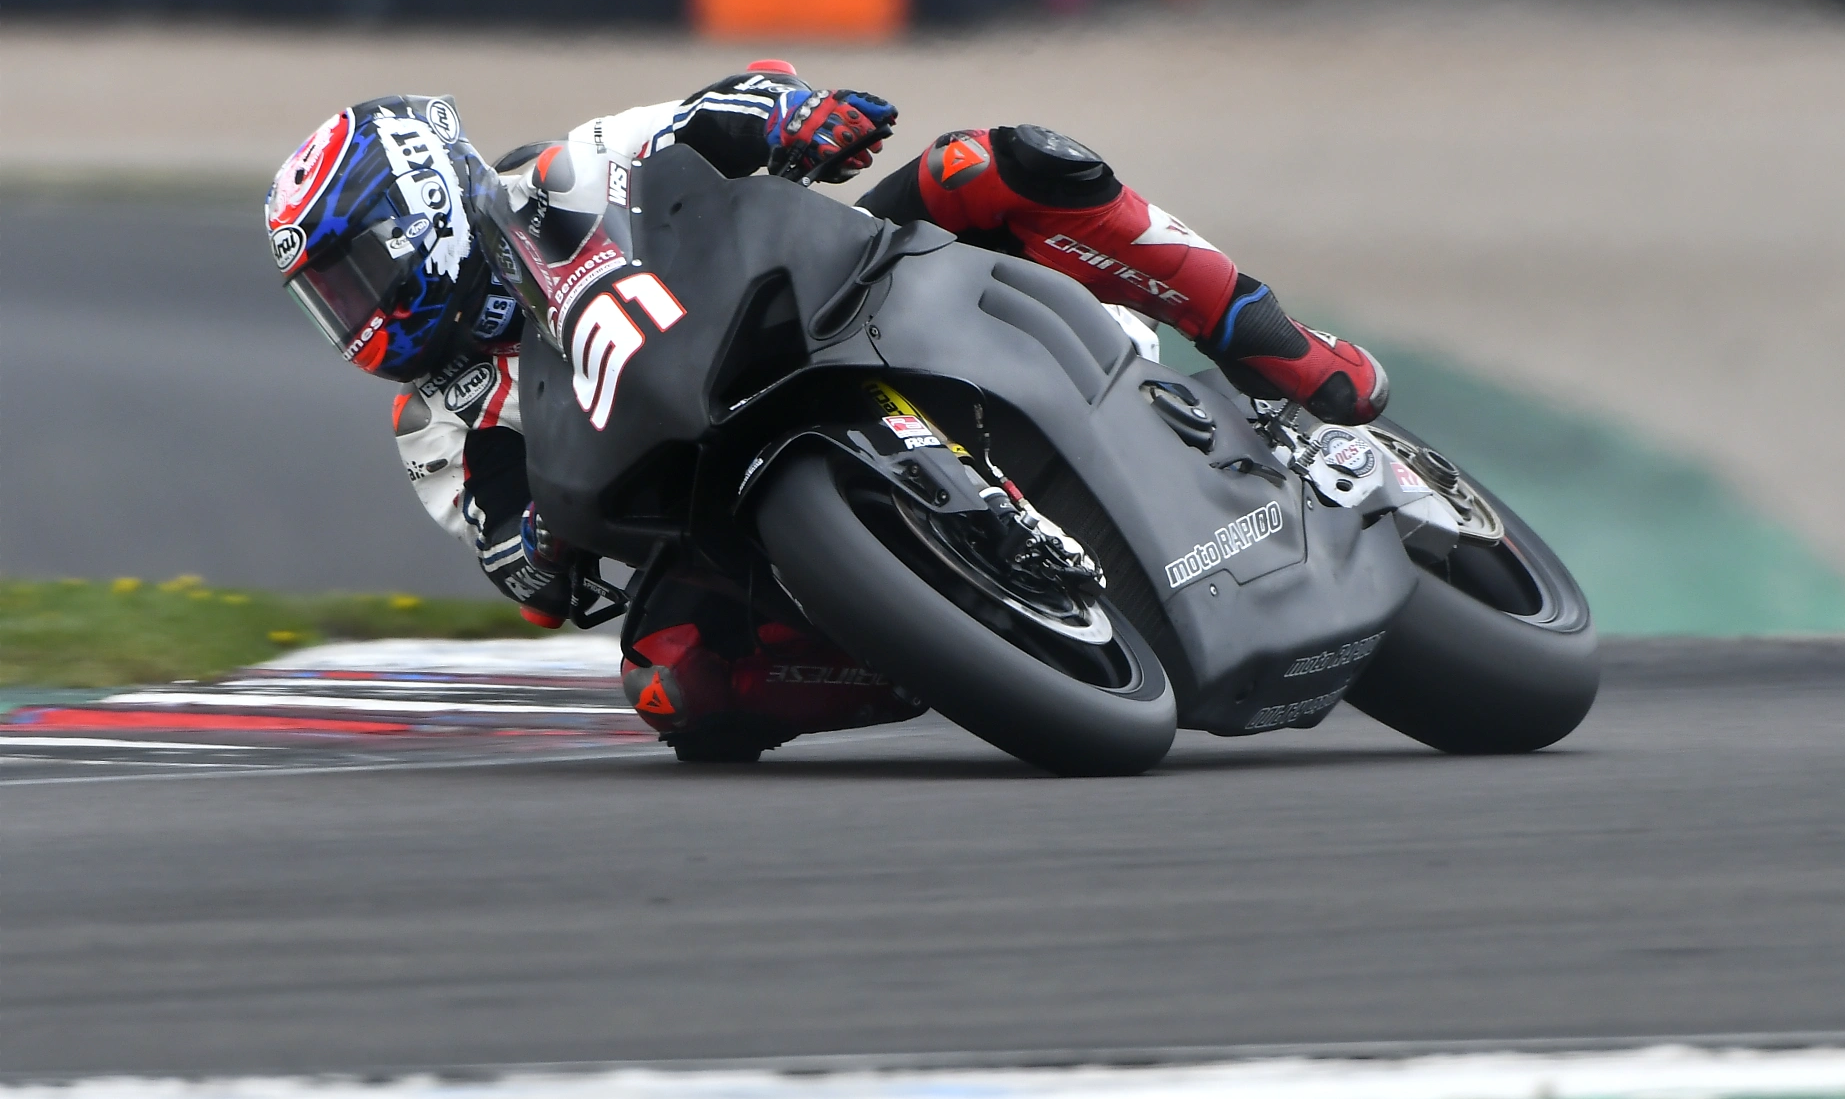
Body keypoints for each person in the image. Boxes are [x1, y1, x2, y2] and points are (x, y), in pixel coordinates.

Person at [264, 63, 1387, 755]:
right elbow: (519, 554)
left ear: (418, 211)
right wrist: (523, 551)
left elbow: (715, 115)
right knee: (675, 682)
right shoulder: (434, 423)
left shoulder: (564, 174)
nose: (353, 313)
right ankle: (924, 642)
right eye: (330, 299)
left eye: (354, 274)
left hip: (821, 315)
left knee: (989, 165)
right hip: (710, 500)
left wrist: (798, 118)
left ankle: (1272, 346)